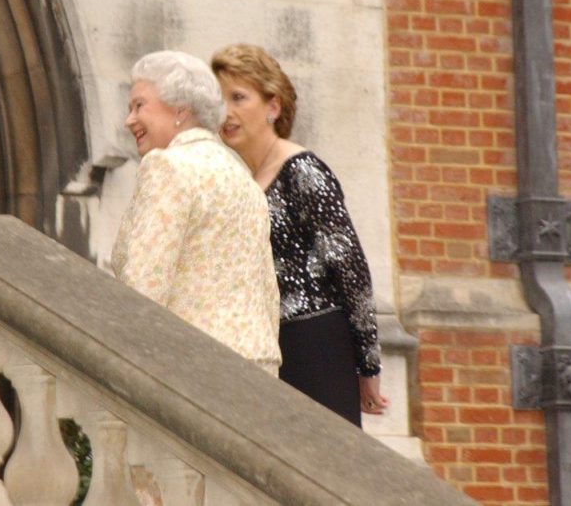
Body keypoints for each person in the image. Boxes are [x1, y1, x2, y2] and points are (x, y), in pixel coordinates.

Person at [211, 42, 388, 426]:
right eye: (219, 99)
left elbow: (352, 272)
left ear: (273, 107)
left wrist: (367, 367)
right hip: (262, 348)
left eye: (239, 97)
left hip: (314, 343)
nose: (226, 112)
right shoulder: (238, 178)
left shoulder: (303, 170)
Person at [111, 50, 281, 374]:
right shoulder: (242, 176)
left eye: (139, 105)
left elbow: (145, 282)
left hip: (193, 365)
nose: (129, 119)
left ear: (180, 110)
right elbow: (268, 293)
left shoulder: (167, 166)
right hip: (259, 364)